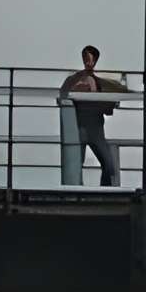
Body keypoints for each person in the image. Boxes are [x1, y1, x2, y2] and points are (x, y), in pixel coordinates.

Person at [59, 45, 128, 187]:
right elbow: (62, 97)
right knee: (76, 165)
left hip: (95, 129)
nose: (89, 62)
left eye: (91, 59)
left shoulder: (97, 82)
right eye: (86, 58)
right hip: (80, 128)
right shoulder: (74, 80)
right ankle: (78, 195)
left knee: (108, 166)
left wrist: (110, 101)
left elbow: (106, 108)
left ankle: (104, 193)